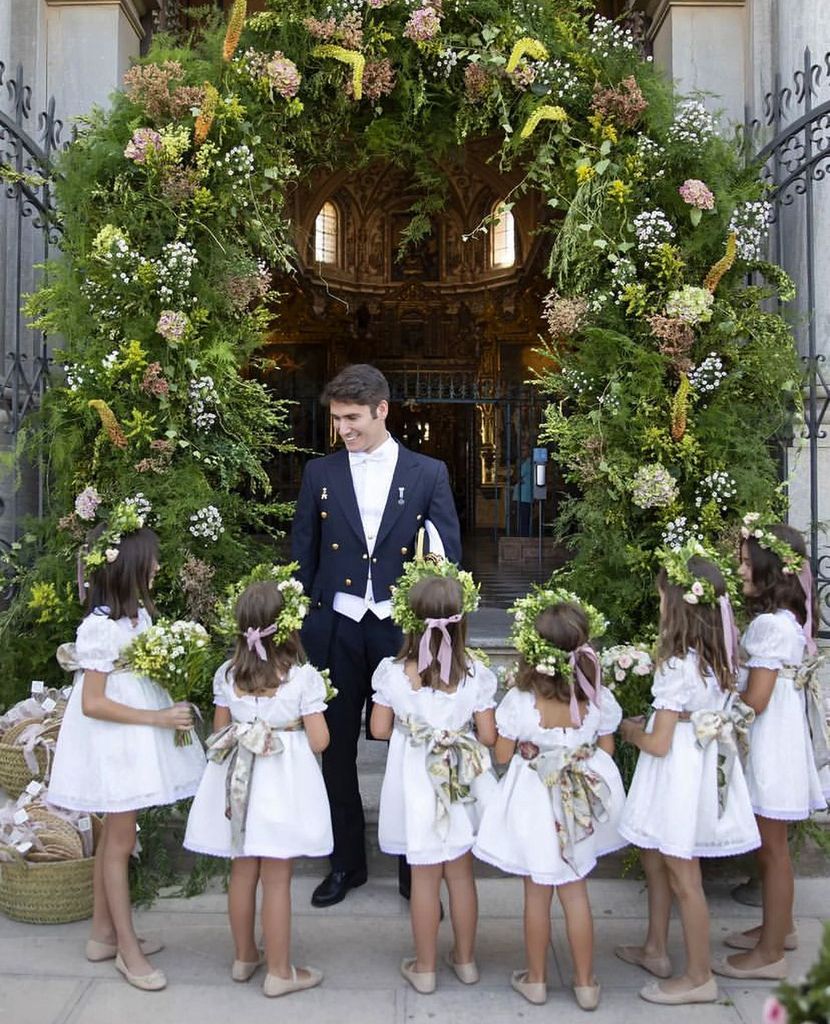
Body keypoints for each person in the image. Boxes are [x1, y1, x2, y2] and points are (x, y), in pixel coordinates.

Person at [291, 363, 461, 908]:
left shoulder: (428, 472)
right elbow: (303, 556)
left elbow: (448, 560)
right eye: (338, 419)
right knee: (336, 746)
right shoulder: (320, 473)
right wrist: (299, 628)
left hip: (400, 632)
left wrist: (440, 635)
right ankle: (346, 864)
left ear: (382, 410)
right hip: (336, 625)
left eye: (353, 418)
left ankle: (416, 868)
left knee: (410, 746)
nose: (344, 428)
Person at [48, 504, 205, 992]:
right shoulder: (99, 627)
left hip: (132, 740)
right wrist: (158, 718)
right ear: (128, 565)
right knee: (118, 843)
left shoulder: (133, 618)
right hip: (114, 745)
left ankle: (102, 934)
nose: (158, 567)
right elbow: (93, 703)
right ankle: (128, 952)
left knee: (115, 838)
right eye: (151, 560)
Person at [617, 542, 761, 1006]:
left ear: (676, 607)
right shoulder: (718, 661)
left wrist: (629, 731)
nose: (659, 604)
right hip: (697, 763)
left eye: (662, 597)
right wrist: (659, 723)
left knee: (684, 875)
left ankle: (699, 977)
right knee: (657, 859)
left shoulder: (678, 665)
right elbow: (679, 719)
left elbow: (659, 741)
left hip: (678, 771)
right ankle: (655, 948)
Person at [474, 588, 625, 1010]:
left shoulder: (522, 701)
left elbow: (501, 755)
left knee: (537, 891)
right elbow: (607, 749)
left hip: (533, 801)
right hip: (576, 798)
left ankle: (536, 979)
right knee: (575, 890)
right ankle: (586, 983)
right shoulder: (596, 698)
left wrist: (531, 749)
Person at [184, 576, 332, 997]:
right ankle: (280, 972)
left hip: (239, 786)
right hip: (282, 784)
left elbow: (219, 729)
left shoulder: (228, 675)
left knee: (242, 872)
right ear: (287, 627)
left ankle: (244, 956)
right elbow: (321, 741)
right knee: (278, 879)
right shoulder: (302, 678)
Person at [369, 563, 497, 994]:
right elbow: (490, 735)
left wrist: (415, 725)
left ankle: (424, 968)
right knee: (461, 875)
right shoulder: (475, 672)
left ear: (410, 619)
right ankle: (466, 961)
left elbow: (379, 730)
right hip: (460, 777)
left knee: (423, 875)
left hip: (416, 778)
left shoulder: (393, 673)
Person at [712, 517, 828, 981]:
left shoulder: (768, 627)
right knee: (772, 848)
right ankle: (782, 928)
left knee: (773, 851)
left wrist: (716, 715)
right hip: (782, 742)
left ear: (768, 570)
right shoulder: (790, 620)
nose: (740, 571)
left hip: (771, 749)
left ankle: (770, 953)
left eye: (744, 563)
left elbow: (756, 700)